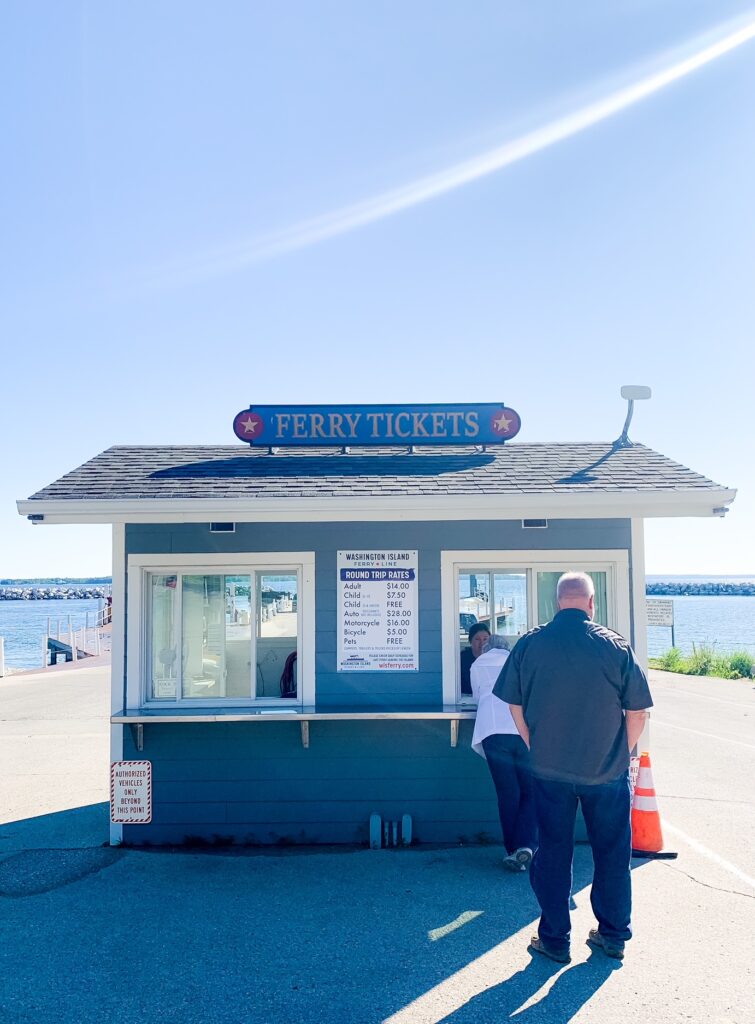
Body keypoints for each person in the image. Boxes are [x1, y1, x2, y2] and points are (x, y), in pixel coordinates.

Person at [494, 572, 652, 964]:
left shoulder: (530, 643)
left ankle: (554, 939)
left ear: (557, 601)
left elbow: (512, 704)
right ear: (592, 603)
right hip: (606, 772)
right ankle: (613, 935)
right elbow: (638, 712)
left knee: (553, 852)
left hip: (549, 769)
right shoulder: (615, 647)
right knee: (613, 852)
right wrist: (620, 752)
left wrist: (533, 742)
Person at [470, 635, 538, 871]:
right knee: (530, 791)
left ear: (486, 648)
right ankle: (526, 845)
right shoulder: (519, 660)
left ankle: (512, 849)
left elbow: (478, 697)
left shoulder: (478, 664)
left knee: (508, 793)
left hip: (492, 732)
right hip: (522, 729)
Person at [460, 622, 491, 695]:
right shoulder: (462, 659)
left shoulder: (494, 658)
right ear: (470, 641)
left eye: (485, 639)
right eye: (477, 639)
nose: (482, 643)